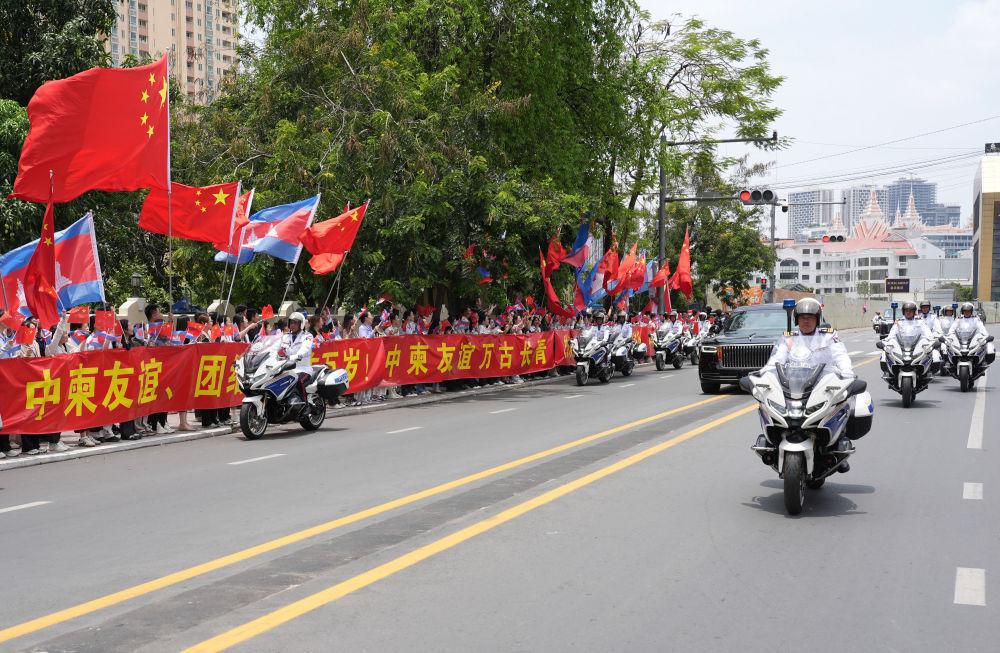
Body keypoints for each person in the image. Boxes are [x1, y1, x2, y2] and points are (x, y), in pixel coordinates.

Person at [279, 312, 315, 406]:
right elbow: (277, 348)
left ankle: (305, 405)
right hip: (286, 368)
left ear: (301, 324)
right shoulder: (285, 336)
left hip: (303, 368)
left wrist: (297, 355)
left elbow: (306, 348)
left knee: (299, 381)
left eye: (296, 323)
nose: (293, 325)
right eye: (291, 323)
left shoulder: (307, 336)